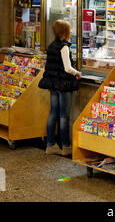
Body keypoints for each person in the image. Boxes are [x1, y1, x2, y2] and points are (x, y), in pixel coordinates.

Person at [38, 20, 81, 156]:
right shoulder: (64, 47)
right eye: (69, 29)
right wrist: (77, 73)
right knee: (64, 116)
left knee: (53, 113)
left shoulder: (51, 46)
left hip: (53, 85)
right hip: (64, 85)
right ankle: (66, 147)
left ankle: (50, 145)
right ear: (65, 32)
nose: (71, 32)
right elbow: (68, 68)